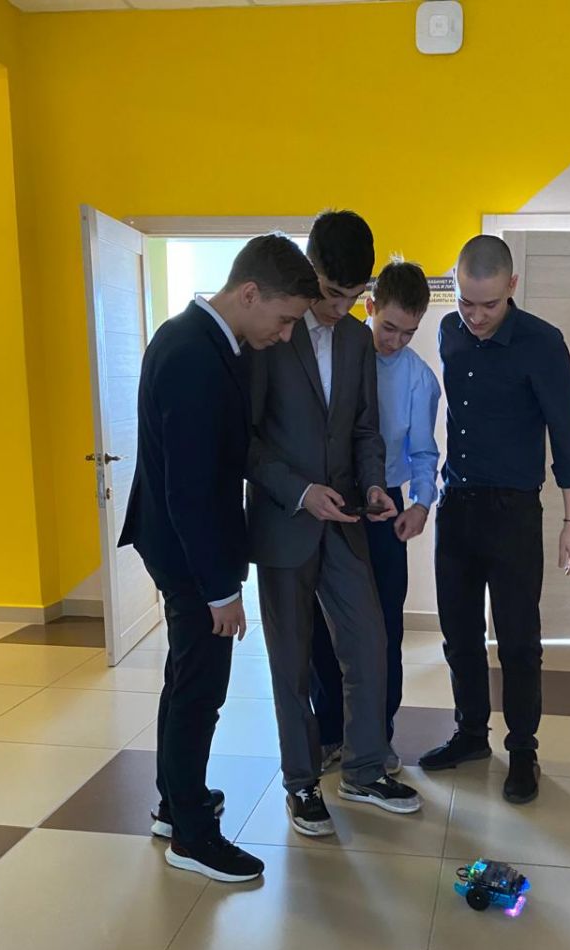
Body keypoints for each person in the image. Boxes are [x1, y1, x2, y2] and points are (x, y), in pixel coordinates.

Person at [119, 234, 320, 881]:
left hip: (180, 542)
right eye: (284, 319)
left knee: (185, 679)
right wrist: (219, 591)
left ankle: (175, 804)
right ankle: (193, 837)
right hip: (187, 553)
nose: (285, 336)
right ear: (249, 293)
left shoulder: (203, 340)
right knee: (200, 692)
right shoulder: (193, 355)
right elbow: (190, 488)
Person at [246, 211, 423, 838]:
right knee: (292, 660)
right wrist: (299, 492)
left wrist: (373, 485)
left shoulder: (354, 341)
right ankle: (300, 783)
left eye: (352, 296)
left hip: (347, 519)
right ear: (309, 268)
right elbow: (246, 440)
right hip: (284, 522)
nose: (338, 307)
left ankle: (364, 769)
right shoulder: (271, 332)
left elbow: (365, 429)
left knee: (369, 642)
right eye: (329, 292)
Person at [419, 235, 570, 803]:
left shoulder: (543, 343)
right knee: (459, 633)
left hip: (513, 512)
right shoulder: (449, 332)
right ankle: (470, 734)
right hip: (457, 507)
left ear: (512, 287)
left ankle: (522, 751)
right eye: (466, 302)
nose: (475, 316)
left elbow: (566, 437)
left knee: (517, 639)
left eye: (488, 304)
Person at [310, 260, 441, 774]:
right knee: (323, 628)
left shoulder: (419, 379)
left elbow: (424, 453)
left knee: (385, 628)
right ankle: (328, 733)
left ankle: (379, 736)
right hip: (328, 502)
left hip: (385, 506)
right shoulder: (334, 352)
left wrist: (421, 504)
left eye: (409, 332)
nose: (396, 341)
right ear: (369, 307)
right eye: (389, 327)